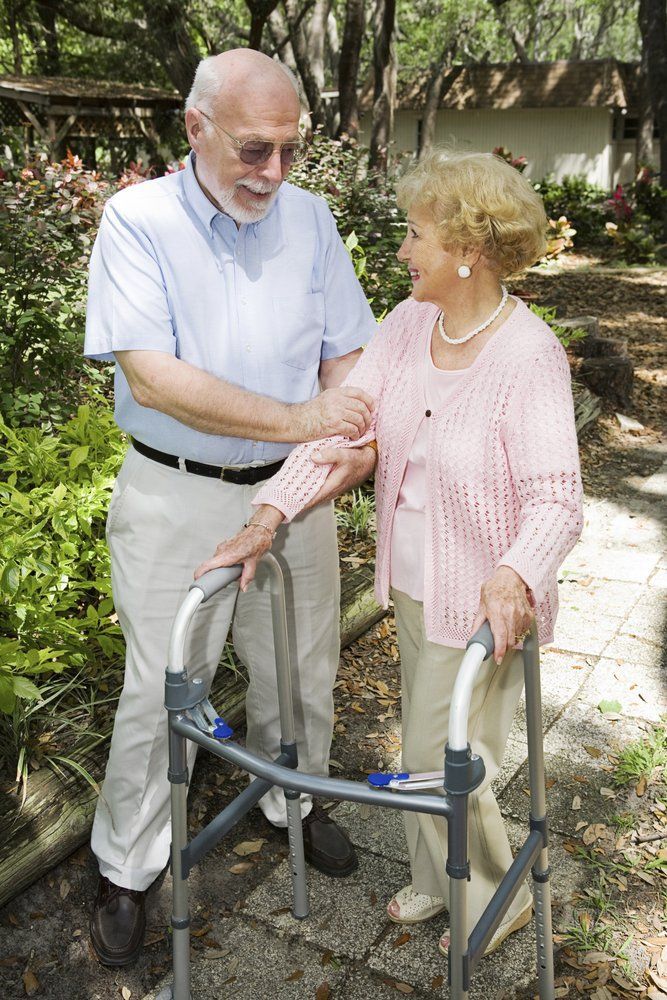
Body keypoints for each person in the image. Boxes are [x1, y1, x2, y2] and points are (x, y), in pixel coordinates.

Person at [196, 149, 584, 957]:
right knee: (433, 746)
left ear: (466, 250)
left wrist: (514, 573)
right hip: (410, 584)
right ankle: (437, 875)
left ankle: (489, 898)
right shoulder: (409, 327)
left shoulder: (527, 354)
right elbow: (348, 426)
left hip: (483, 602)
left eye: (415, 236)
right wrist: (267, 514)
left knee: (439, 756)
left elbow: (555, 497)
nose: (402, 251)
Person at [83, 48, 379, 967]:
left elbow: (348, 362)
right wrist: (300, 416)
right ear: (195, 127)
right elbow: (154, 377)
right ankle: (127, 867)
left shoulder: (313, 220)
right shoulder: (137, 220)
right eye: (255, 150)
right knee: (162, 686)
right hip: (177, 493)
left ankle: (295, 798)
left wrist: (334, 440)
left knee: (301, 668)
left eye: (289, 149)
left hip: (293, 497)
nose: (274, 173)